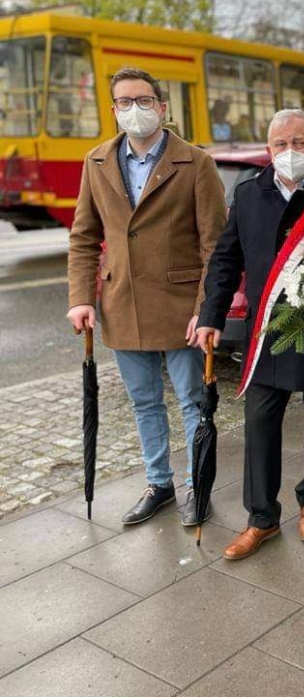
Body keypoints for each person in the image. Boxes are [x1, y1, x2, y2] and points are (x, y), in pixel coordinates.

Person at [67, 67, 226, 526]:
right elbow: (83, 237)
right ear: (113, 109)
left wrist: (205, 308)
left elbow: (214, 246)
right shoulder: (97, 161)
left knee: (193, 401)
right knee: (144, 402)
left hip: (181, 308)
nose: (134, 109)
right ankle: (159, 483)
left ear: (161, 106)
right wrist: (81, 298)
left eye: (143, 100)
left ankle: (198, 485)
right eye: (124, 102)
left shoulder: (195, 163)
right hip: (122, 304)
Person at [195, 109, 304, 560]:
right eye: (281, 144)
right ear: (269, 150)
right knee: (260, 424)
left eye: (300, 143)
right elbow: (226, 261)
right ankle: (261, 517)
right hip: (267, 333)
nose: (290, 152)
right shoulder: (248, 195)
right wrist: (211, 315)